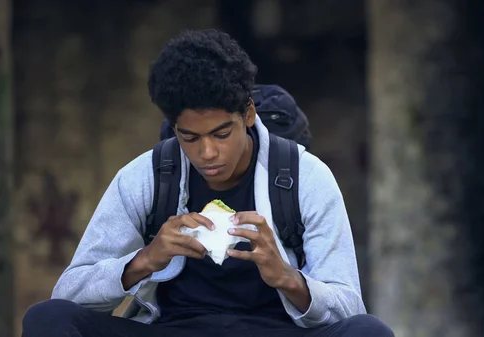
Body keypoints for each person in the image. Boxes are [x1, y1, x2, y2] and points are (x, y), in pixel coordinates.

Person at [22, 29, 394, 337]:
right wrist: (145, 260)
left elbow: (349, 305)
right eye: (191, 138)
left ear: (248, 113)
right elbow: (69, 293)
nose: (208, 153)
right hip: (174, 328)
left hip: (276, 330)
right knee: (47, 319)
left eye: (221, 133)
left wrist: (286, 276)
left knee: (368, 332)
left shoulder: (305, 176)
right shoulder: (146, 176)